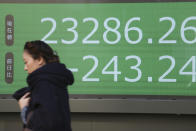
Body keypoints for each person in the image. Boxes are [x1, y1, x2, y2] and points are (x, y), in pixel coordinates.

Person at [13, 40, 74, 131]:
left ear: (40, 60)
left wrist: (24, 109)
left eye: (26, 62)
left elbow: (43, 124)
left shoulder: (44, 84)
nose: (25, 68)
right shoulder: (55, 80)